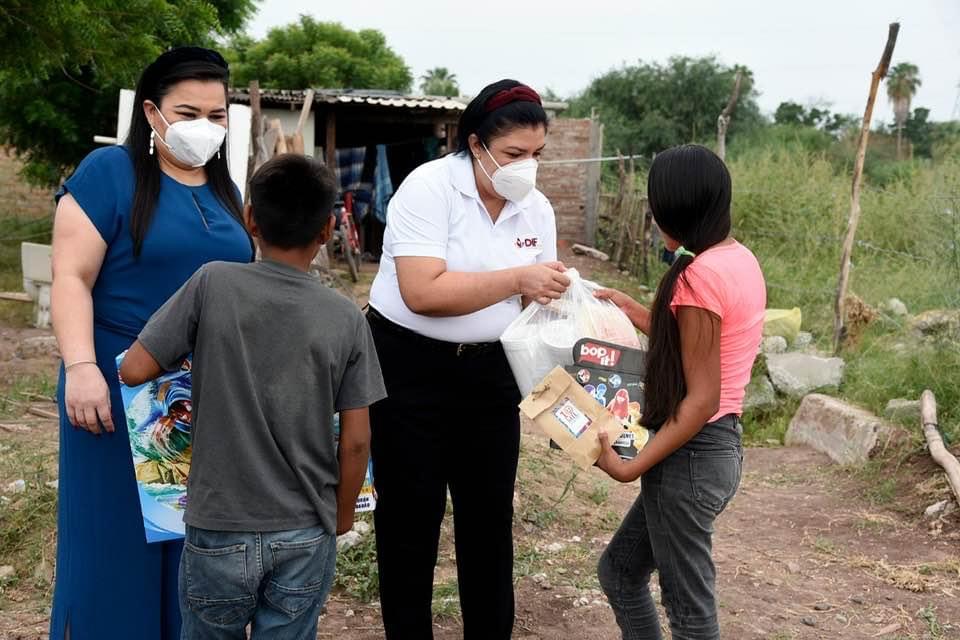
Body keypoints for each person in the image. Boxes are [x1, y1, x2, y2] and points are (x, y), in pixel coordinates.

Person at [119, 153, 386, 638]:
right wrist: (342, 515)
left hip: (218, 526)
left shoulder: (213, 283)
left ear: (249, 219)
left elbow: (134, 368)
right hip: (305, 529)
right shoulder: (346, 316)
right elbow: (356, 442)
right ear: (327, 230)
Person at [49, 47, 253, 639]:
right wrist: (81, 367)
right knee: (114, 543)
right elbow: (71, 277)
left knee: (192, 546)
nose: (204, 127)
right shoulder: (109, 172)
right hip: (116, 387)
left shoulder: (225, 188)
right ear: (151, 112)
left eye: (216, 115)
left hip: (199, 394)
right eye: (188, 113)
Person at [366, 79, 570, 639]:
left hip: (491, 374)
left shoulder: (537, 209)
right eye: (514, 153)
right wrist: (518, 279)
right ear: (476, 144)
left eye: (537, 154)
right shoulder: (429, 188)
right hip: (408, 369)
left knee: (488, 521)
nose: (527, 167)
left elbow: (537, 302)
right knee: (410, 521)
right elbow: (422, 292)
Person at [593, 144, 766, 640]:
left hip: (691, 454)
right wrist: (633, 310)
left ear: (674, 211)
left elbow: (701, 398)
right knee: (619, 572)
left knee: (690, 617)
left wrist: (629, 467)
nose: (652, 218)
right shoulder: (736, 258)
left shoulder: (699, 277)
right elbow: (702, 348)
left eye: (656, 208)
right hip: (717, 449)